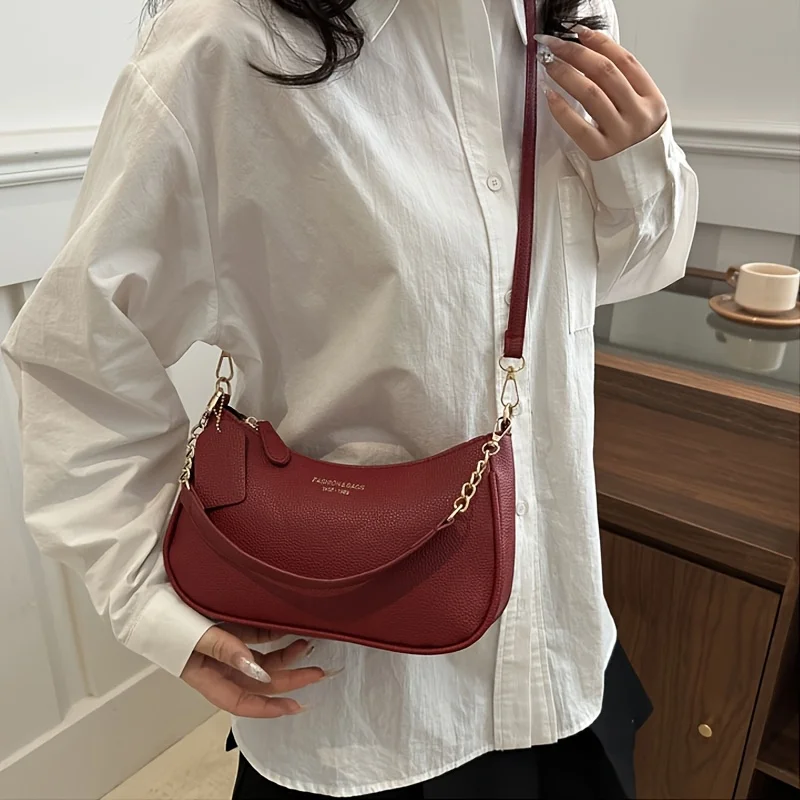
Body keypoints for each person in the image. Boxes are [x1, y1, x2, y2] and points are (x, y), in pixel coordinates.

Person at [2, 0, 698, 797]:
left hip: (565, 653)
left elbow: (608, 276)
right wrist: (147, 596)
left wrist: (638, 162)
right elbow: (75, 355)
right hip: (362, 706)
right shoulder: (231, 43)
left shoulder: (570, 18)